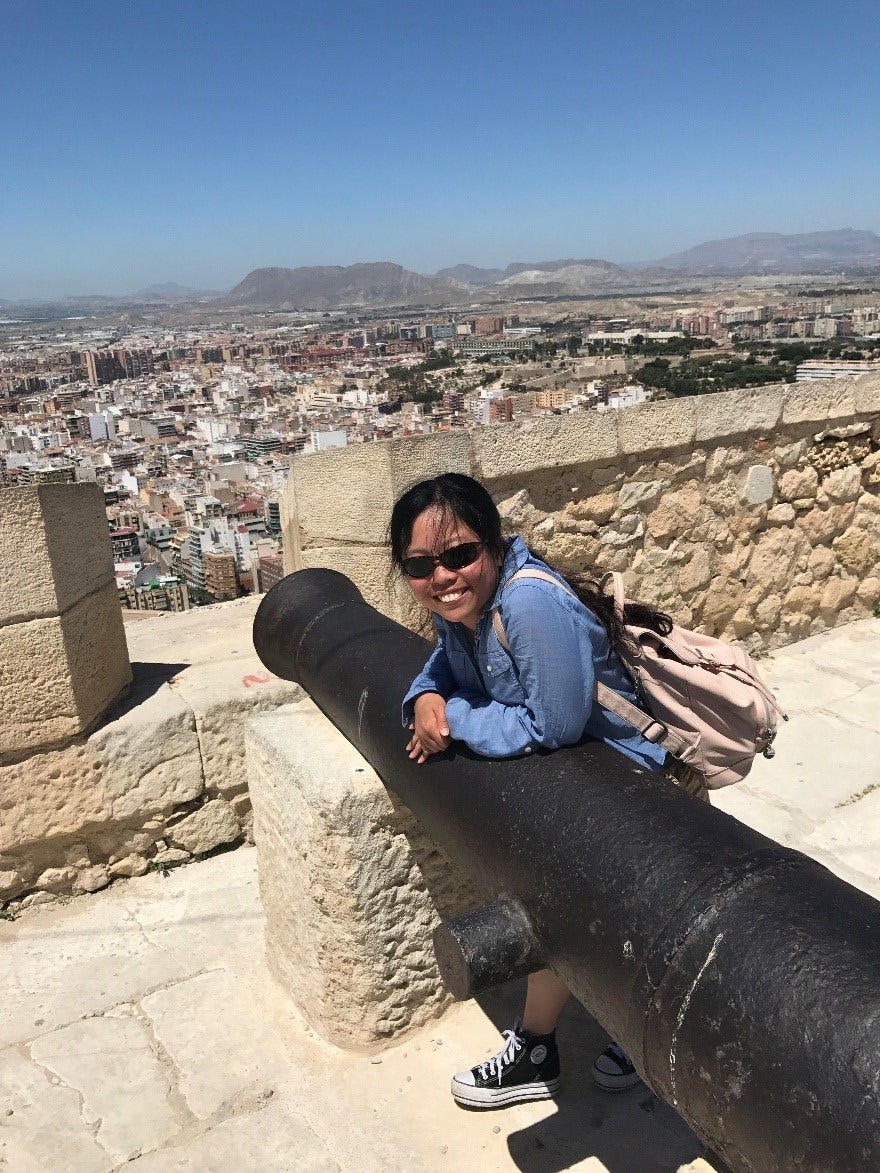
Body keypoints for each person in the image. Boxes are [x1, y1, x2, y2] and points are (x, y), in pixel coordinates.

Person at [389, 472, 709, 1110]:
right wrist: (424, 695)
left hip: (642, 781)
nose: (442, 577)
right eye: (421, 565)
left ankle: (617, 1036)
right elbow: (446, 661)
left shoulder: (527, 605)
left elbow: (552, 724)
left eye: (459, 555)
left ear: (493, 546)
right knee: (566, 912)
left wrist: (455, 721)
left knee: (637, 922)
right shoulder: (465, 607)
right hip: (583, 785)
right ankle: (542, 1046)